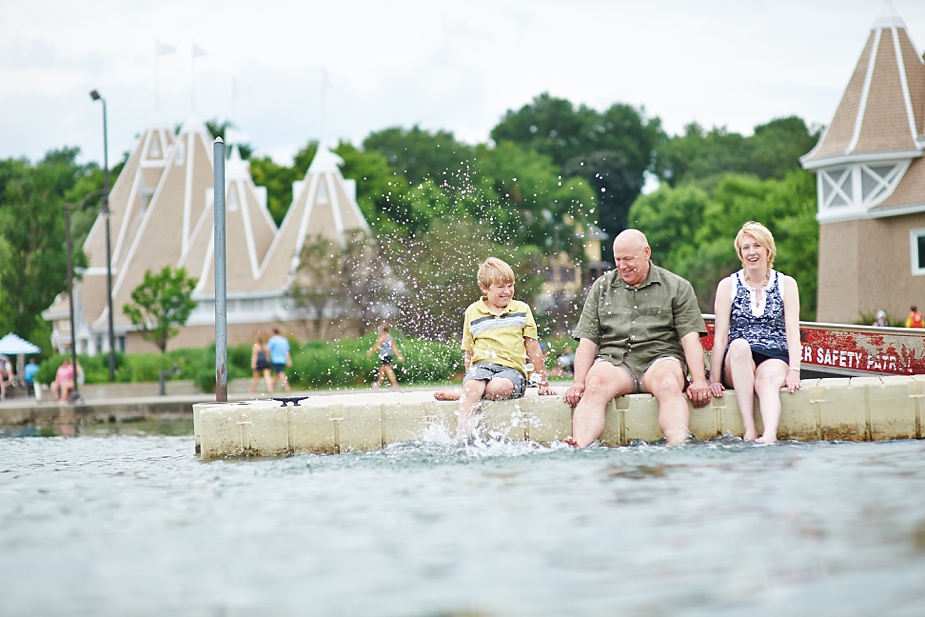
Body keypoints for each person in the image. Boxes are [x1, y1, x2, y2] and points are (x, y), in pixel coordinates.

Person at [563, 229, 710, 447]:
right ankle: (580, 445)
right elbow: (588, 341)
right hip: (616, 361)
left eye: (628, 259)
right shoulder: (602, 287)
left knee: (670, 384)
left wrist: (698, 380)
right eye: (618, 260)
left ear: (646, 253)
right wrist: (578, 382)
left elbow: (690, 339)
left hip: (660, 359)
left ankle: (677, 444)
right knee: (595, 385)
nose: (622, 266)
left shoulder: (678, 287)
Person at [434, 257, 556, 437]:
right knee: (474, 384)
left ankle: (465, 393)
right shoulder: (473, 312)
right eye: (500, 287)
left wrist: (543, 383)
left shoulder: (521, 309)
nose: (507, 291)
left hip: (511, 370)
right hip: (481, 366)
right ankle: (463, 438)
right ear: (484, 288)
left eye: (510, 285)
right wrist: (469, 377)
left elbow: (533, 347)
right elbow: (469, 351)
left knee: (499, 388)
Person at [708, 222, 802, 444]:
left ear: (768, 250)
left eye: (757, 246)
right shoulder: (727, 285)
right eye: (745, 247)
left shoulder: (786, 284)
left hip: (774, 354)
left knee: (767, 379)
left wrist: (795, 370)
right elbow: (720, 338)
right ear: (740, 253)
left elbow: (792, 332)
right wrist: (713, 378)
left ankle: (769, 434)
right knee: (739, 345)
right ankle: (749, 429)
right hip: (739, 360)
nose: (751, 252)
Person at [367, 323, 404, 390]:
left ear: (382, 330)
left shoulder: (382, 338)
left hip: (384, 355)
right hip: (389, 355)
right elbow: (394, 347)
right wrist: (398, 355)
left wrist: (370, 352)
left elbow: (376, 346)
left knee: (388, 369)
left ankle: (394, 384)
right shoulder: (390, 338)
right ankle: (378, 383)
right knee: (382, 369)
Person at [266, 328, 292, 392]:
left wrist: (268, 358)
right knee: (276, 374)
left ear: (273, 333)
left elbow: (268, 350)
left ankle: (287, 387)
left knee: (280, 372)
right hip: (283, 359)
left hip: (276, 359)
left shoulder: (272, 340)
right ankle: (271, 389)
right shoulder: (284, 340)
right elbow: (287, 351)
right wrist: (288, 360)